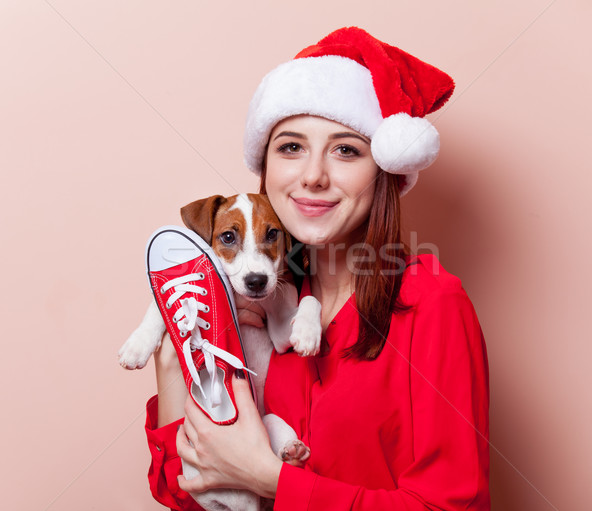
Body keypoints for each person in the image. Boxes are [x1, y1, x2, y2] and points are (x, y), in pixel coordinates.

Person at [144, 27, 490, 510]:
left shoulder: (431, 303)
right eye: (291, 147)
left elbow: (450, 506)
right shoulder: (257, 300)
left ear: (384, 169)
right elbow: (182, 491)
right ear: (265, 164)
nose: (312, 175)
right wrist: (171, 368)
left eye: (346, 149)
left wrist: (272, 480)